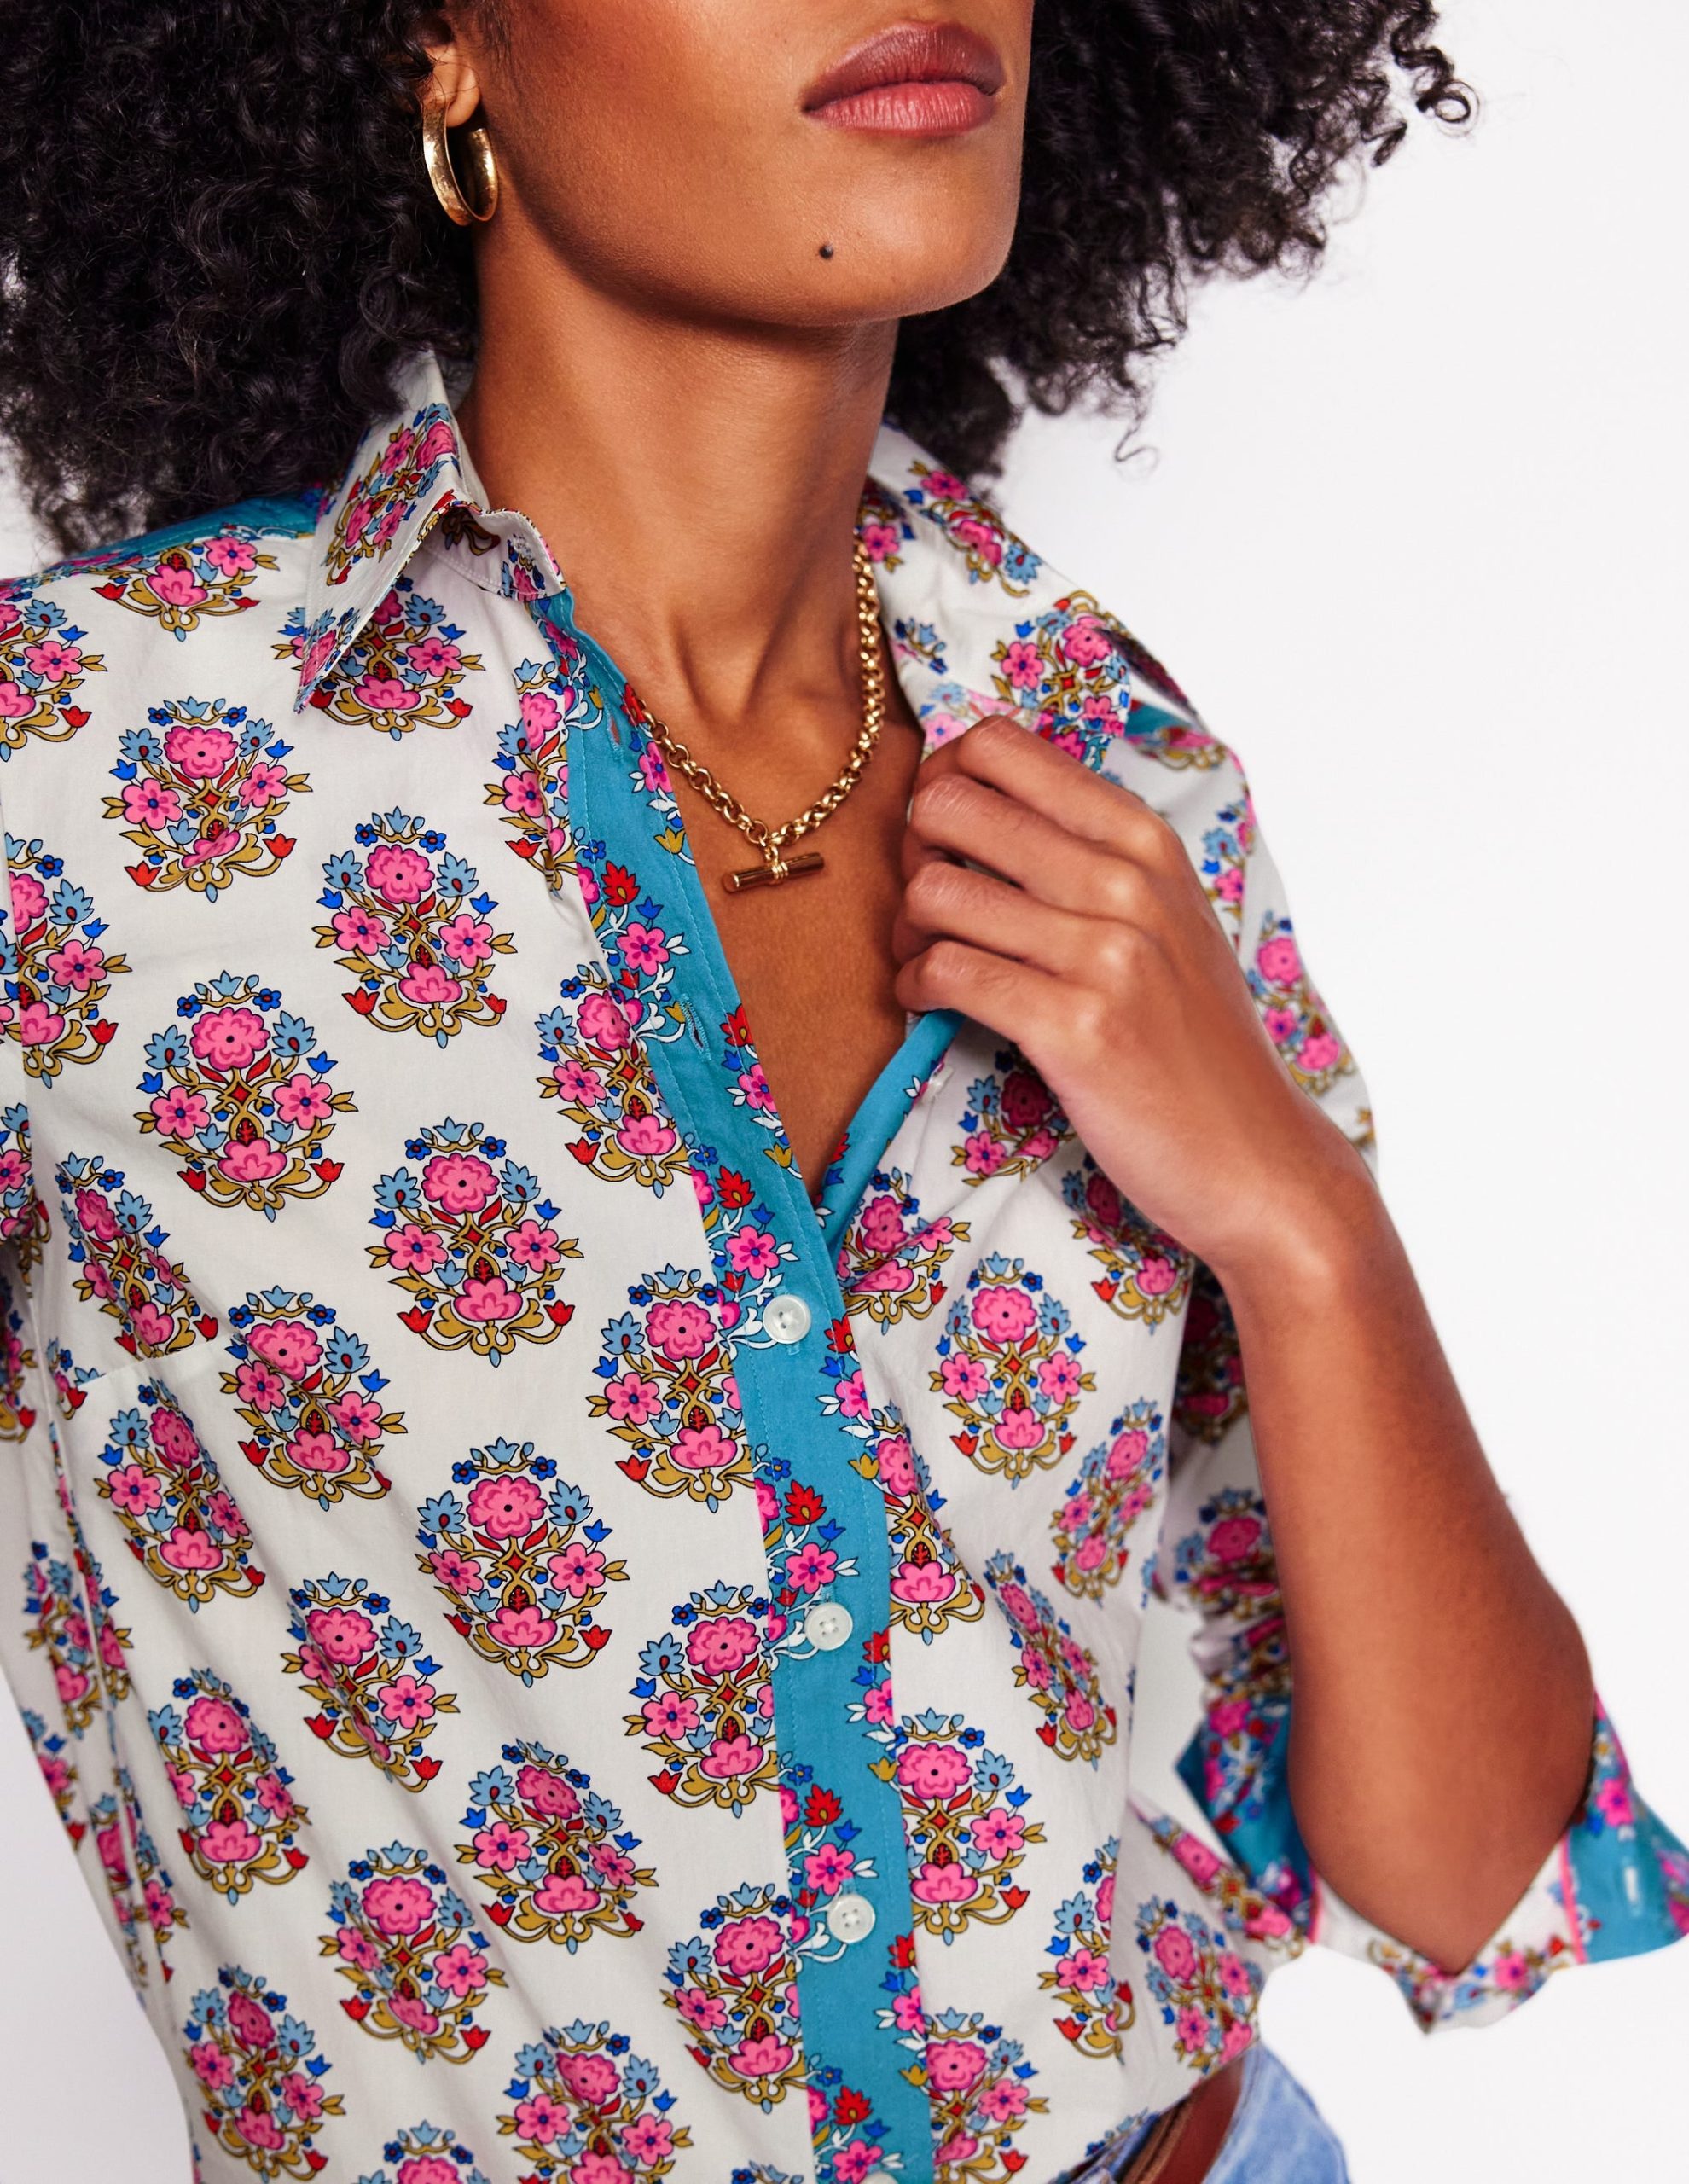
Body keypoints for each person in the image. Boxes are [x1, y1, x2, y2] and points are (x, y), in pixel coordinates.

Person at [0, 5, 1681, 2181]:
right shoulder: (82, 792)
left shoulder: (1106, 762)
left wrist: (1301, 1225)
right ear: (440, 44)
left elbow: (1467, 1878)